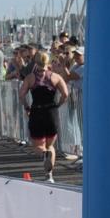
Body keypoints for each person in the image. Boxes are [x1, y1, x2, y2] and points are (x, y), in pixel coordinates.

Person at [19, 52, 69, 183]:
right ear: (48, 62)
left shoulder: (30, 78)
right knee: (50, 145)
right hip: (51, 112)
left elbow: (22, 94)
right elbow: (65, 94)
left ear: (35, 62)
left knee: (38, 146)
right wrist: (58, 104)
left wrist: (26, 107)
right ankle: (49, 176)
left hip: (36, 112)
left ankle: (44, 155)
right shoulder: (56, 77)